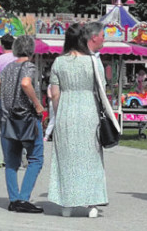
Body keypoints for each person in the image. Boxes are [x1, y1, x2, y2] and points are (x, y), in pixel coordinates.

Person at [47, 23, 114, 217]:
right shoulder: (93, 62)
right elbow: (101, 89)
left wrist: (60, 115)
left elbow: (55, 94)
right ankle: (92, 203)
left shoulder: (59, 62)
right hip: (89, 111)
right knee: (91, 158)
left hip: (66, 111)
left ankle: (67, 203)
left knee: (66, 158)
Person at [0, 35, 46, 214]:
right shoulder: (29, 67)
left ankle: (13, 199)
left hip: (9, 120)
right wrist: (37, 104)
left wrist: (6, 100)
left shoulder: (8, 68)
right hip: (27, 118)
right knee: (35, 158)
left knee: (11, 161)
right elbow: (25, 83)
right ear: (31, 50)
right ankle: (23, 198)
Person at [0, 34, 17, 130]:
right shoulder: (19, 59)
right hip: (18, 99)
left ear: (2, 45)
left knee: (5, 130)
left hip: (2, 98)